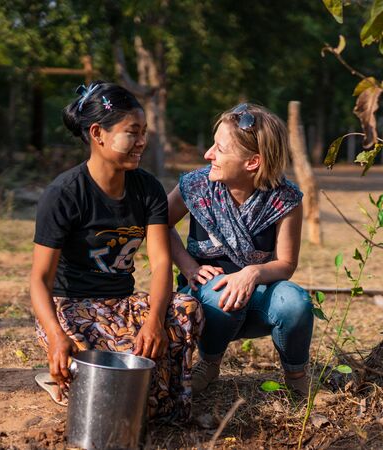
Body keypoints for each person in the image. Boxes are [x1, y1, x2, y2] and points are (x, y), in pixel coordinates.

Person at [30, 81, 203, 421]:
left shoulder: (148, 189)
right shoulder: (64, 193)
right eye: (132, 133)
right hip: (72, 310)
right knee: (126, 372)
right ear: (98, 134)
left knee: (187, 309)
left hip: (122, 305)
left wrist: (153, 321)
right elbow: (38, 279)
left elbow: (160, 263)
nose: (141, 142)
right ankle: (64, 377)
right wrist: (55, 335)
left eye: (144, 133)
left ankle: (102, 379)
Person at [167, 103, 313, 395]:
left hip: (259, 299)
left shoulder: (285, 199)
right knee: (223, 294)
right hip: (206, 300)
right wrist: (188, 266)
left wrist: (252, 273)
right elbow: (160, 225)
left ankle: (297, 376)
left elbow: (286, 264)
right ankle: (209, 364)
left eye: (219, 149)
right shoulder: (196, 186)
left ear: (252, 162)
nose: (208, 154)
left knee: (296, 301)